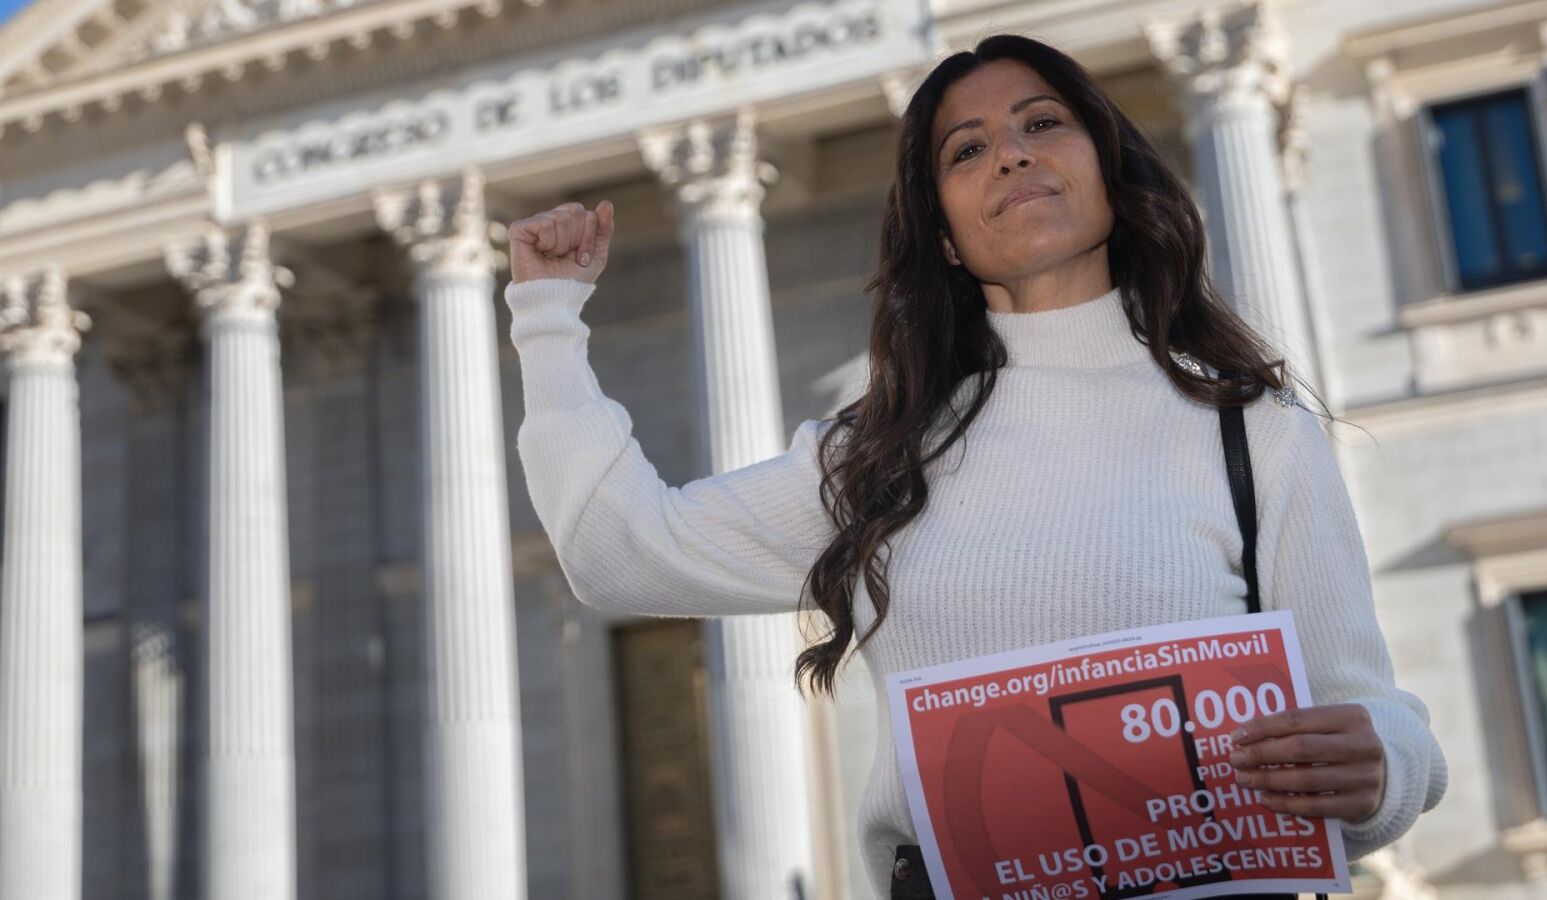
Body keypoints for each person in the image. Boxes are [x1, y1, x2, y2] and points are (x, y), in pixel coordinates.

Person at [503, 33, 1447, 900]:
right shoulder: (875, 458)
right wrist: (548, 318)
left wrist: (1384, 769)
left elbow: (1373, 715)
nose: (1011, 155)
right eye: (967, 149)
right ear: (945, 236)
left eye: (1042, 124)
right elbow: (618, 552)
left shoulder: (1252, 432)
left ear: (1110, 174)